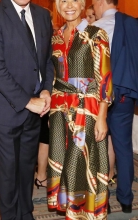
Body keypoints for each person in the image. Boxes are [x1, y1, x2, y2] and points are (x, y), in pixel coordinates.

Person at [0, 0, 54, 219]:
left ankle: (26, 212)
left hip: (36, 109)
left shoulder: (41, 14)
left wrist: (46, 91)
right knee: (9, 172)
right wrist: (27, 101)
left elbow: (47, 61)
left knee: (26, 167)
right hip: (7, 108)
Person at [47, 0, 113, 218]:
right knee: (63, 162)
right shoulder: (55, 37)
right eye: (63, 1)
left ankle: (82, 213)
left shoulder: (96, 34)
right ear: (57, 6)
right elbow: (54, 76)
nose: (69, 5)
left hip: (86, 108)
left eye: (74, 0)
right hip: (58, 110)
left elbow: (104, 79)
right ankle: (71, 211)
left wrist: (102, 116)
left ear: (83, 4)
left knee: (80, 161)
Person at [92, 0, 138, 213]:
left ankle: (103, 200)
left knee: (98, 147)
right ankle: (126, 200)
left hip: (98, 96)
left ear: (101, 2)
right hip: (125, 95)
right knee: (123, 147)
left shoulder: (95, 27)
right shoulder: (133, 23)